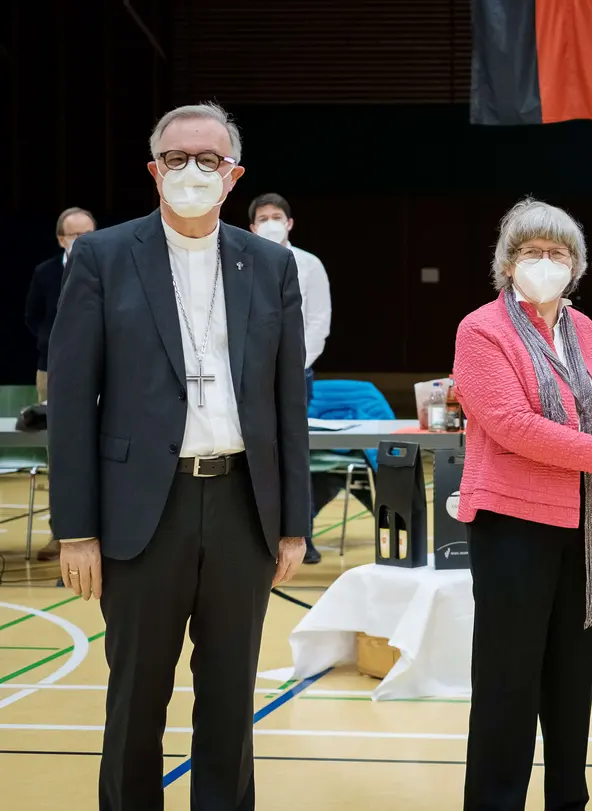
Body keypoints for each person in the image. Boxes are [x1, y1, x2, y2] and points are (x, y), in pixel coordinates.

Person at [47, 102, 310, 811]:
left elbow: (288, 402)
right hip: (142, 512)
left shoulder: (270, 265)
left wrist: (294, 522)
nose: (193, 171)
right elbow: (71, 401)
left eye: (210, 160)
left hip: (240, 506)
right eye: (177, 158)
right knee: (137, 696)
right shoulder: (104, 257)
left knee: (230, 699)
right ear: (153, 169)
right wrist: (75, 527)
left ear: (234, 176)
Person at [452, 198, 592, 811]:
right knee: (508, 683)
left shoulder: (585, 331)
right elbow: (511, 425)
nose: (546, 263)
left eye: (558, 253)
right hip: (513, 528)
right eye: (532, 252)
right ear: (508, 264)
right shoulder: (481, 330)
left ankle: (567, 801)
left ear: (576, 265)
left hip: (589, 526)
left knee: (573, 678)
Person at [249, 192, 332, 564]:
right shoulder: (240, 261)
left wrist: (292, 368)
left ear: (290, 223)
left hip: (297, 374)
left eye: (276, 215)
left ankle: (303, 533)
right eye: (262, 216)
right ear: (251, 226)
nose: (270, 221)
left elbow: (318, 322)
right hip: (249, 376)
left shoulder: (309, 265)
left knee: (294, 454)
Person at [25, 206, 96, 562]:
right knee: (62, 456)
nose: (83, 242)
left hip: (105, 369)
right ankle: (62, 533)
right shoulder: (46, 272)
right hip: (53, 372)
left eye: (89, 234)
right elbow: (33, 316)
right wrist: (52, 346)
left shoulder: (112, 268)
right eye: (75, 235)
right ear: (61, 239)